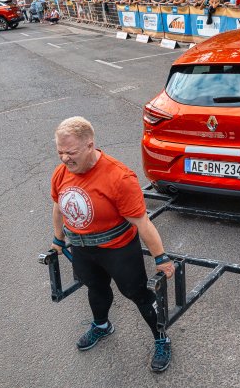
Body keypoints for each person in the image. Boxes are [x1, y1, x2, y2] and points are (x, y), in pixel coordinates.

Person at [50, 117, 175, 373]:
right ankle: (101, 325)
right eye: (60, 152)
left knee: (139, 295)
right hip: (83, 249)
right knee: (95, 288)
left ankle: (162, 339)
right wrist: (57, 239)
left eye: (71, 152)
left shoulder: (118, 177)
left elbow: (142, 223)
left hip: (118, 249)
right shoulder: (62, 172)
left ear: (90, 145)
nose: (64, 158)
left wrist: (161, 258)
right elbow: (58, 205)